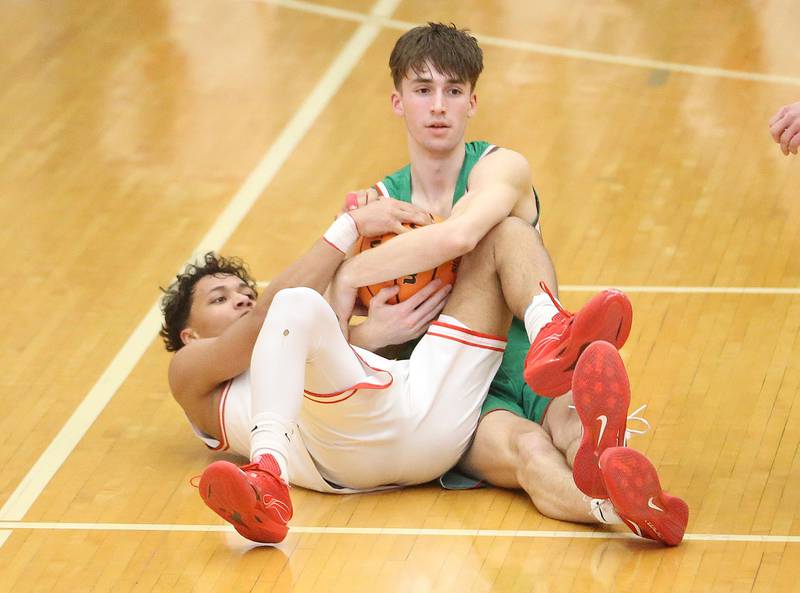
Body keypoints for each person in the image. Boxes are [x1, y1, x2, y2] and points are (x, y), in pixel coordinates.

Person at [332, 23, 688, 541]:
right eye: (423, 90)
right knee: (529, 450)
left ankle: (555, 339)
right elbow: (325, 334)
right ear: (397, 101)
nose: (438, 107)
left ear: (472, 103)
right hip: (459, 393)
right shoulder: (373, 205)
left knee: (571, 420)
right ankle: (620, 512)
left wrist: (355, 265)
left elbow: (462, 235)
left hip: (529, 365)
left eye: (453, 91)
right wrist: (371, 333)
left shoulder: (501, 168)